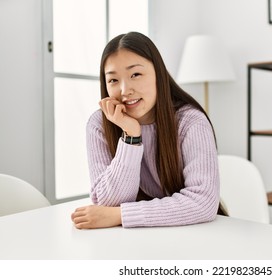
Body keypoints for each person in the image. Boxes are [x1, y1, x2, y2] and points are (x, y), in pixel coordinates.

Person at [71, 31, 224, 229]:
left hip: (198, 231)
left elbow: (203, 203)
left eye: (135, 74)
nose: (125, 90)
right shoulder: (99, 124)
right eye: (113, 80)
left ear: (158, 74)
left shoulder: (190, 121)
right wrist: (130, 137)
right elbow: (106, 204)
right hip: (135, 239)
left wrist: (121, 215)